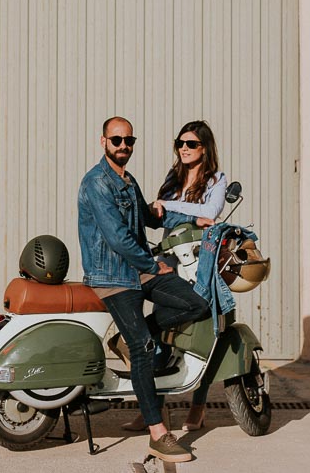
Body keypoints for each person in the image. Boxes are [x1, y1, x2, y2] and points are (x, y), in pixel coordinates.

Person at [77, 116, 213, 464]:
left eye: (129, 141)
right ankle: (158, 434)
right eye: (117, 140)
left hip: (138, 270)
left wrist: (190, 220)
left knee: (197, 304)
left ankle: (137, 336)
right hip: (113, 277)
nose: (124, 146)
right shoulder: (96, 183)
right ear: (103, 141)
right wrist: (153, 265)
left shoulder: (127, 179)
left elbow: (149, 217)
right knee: (143, 350)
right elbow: (117, 237)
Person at [125, 120, 226, 433]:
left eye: (191, 144)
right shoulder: (173, 177)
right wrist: (180, 212)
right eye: (180, 143)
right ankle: (153, 410)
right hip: (169, 261)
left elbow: (211, 213)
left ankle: (198, 406)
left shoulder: (216, 179)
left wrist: (170, 206)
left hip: (201, 264)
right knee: (158, 336)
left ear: (205, 148)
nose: (184, 148)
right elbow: (157, 217)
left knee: (202, 336)